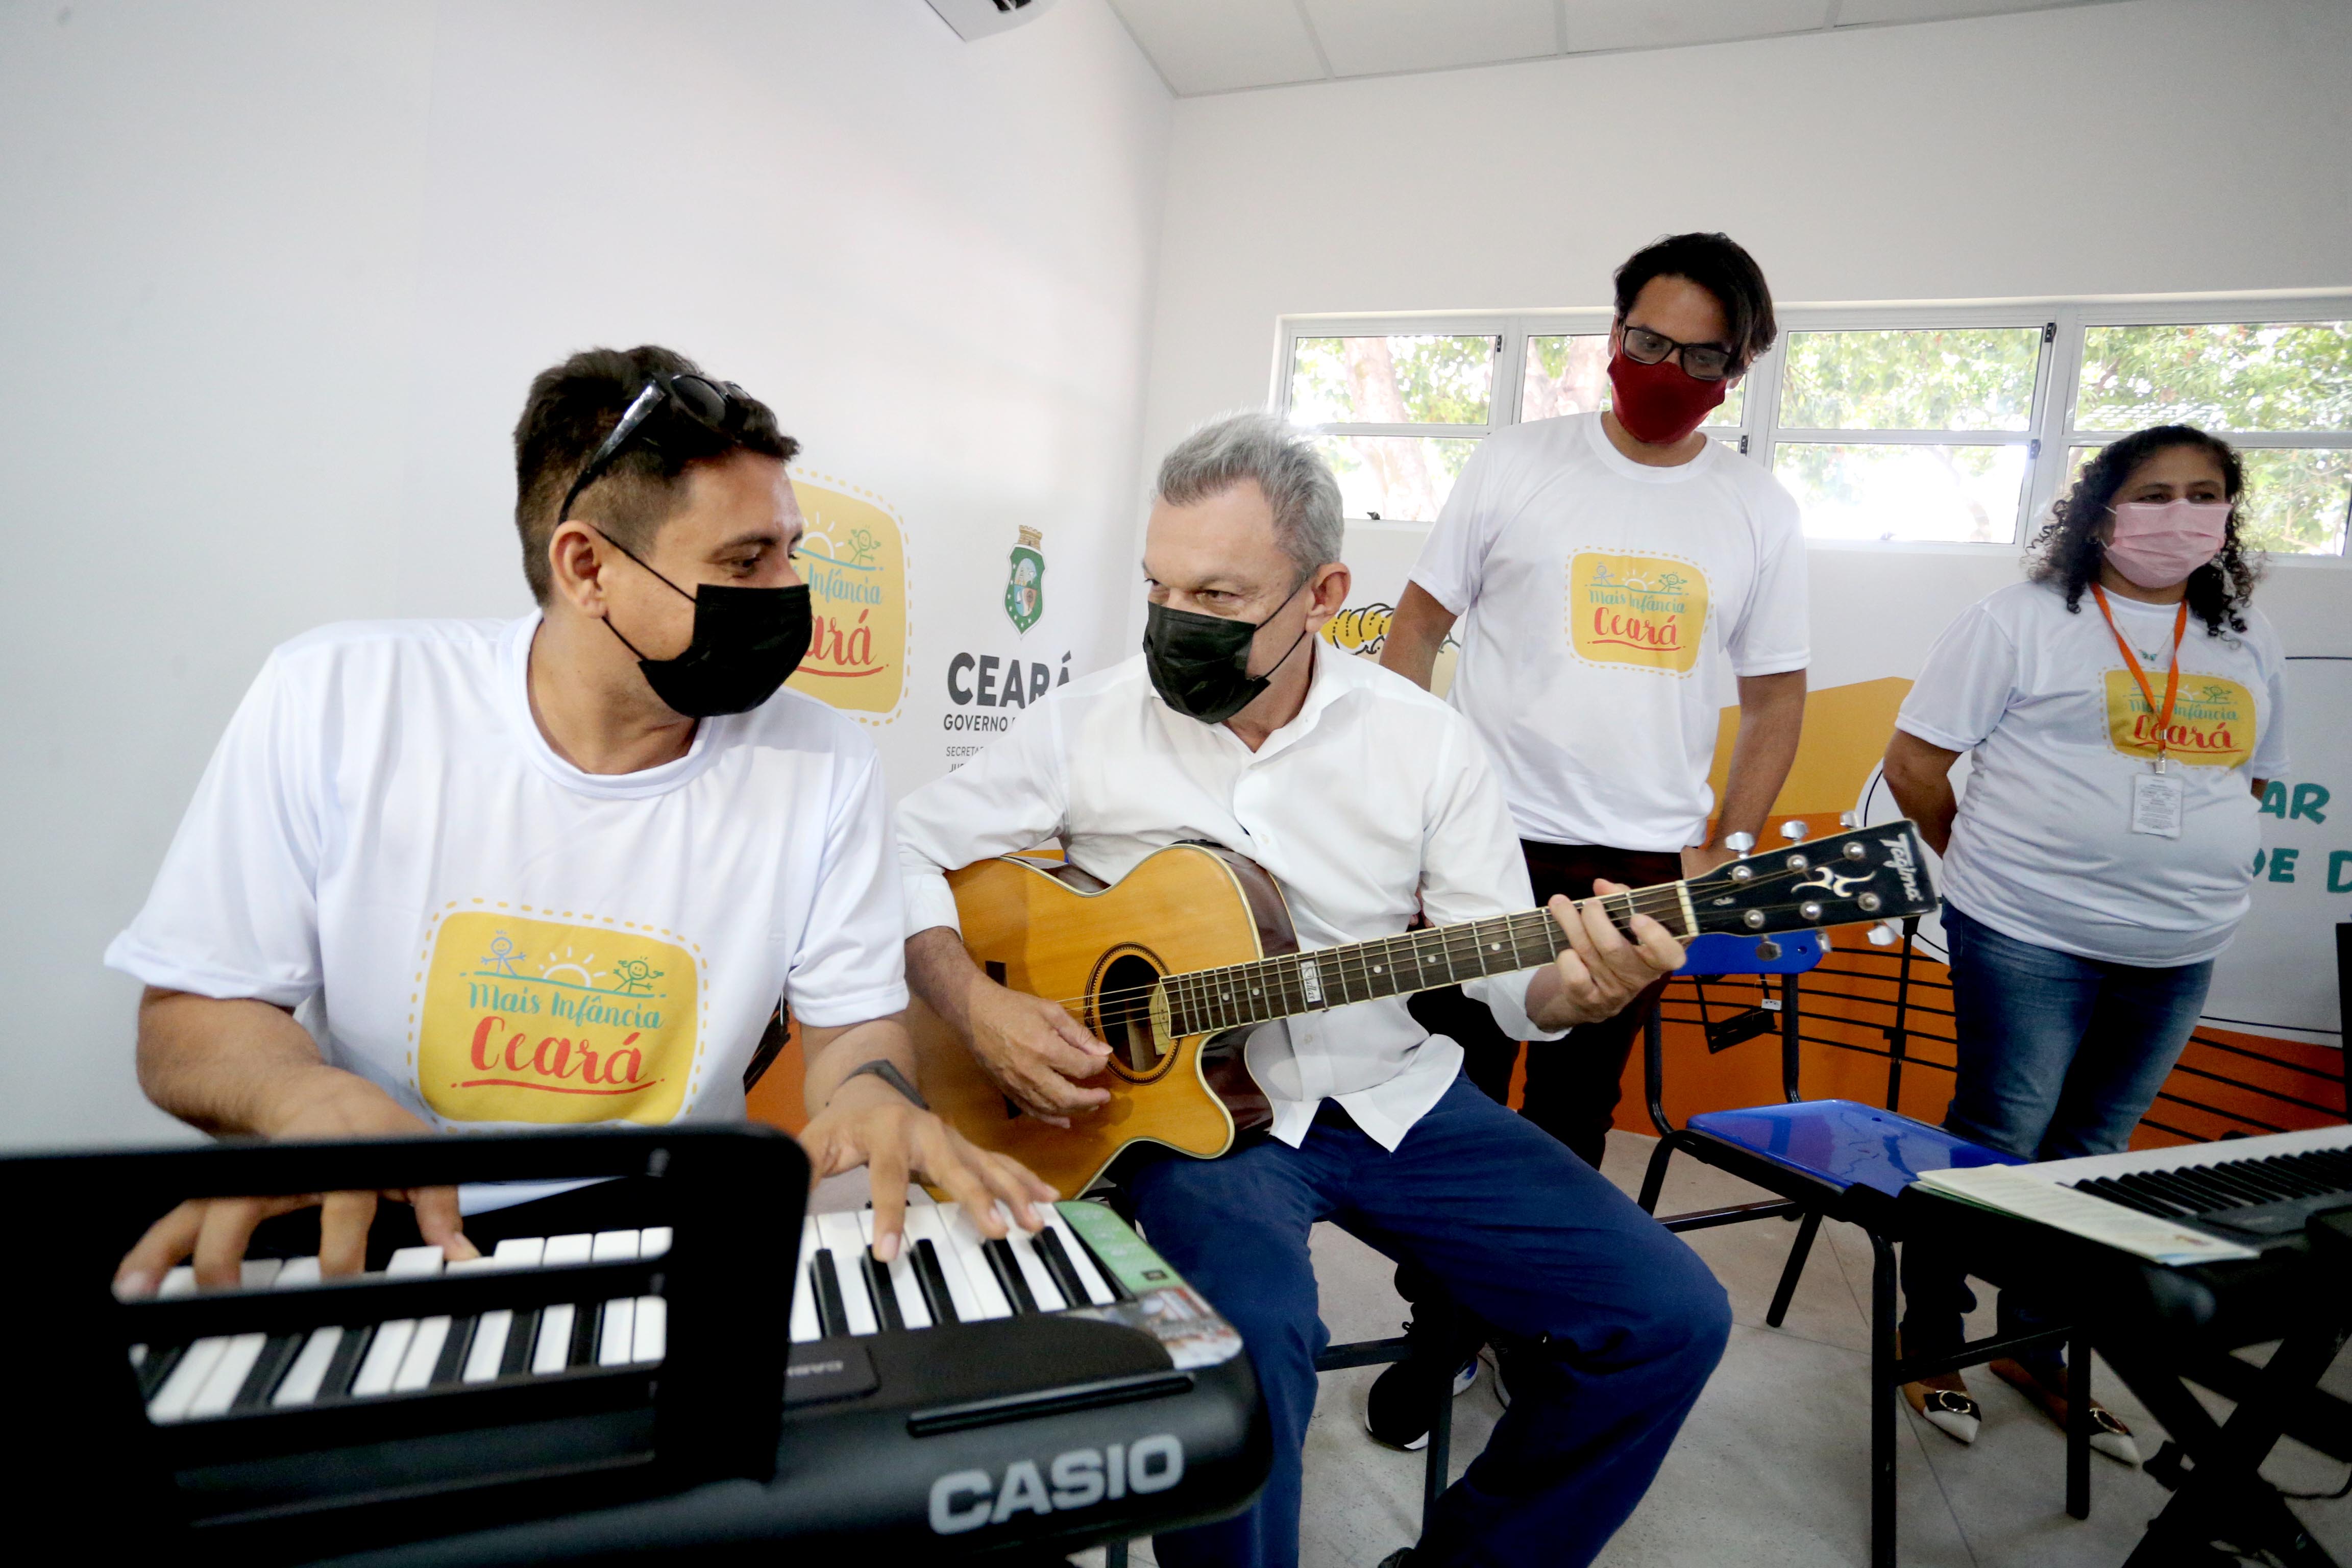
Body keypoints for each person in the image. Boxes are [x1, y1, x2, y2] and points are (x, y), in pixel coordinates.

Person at [896, 413, 1731, 1568]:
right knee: (1244, 1344)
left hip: (1397, 1100)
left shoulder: (1427, 744)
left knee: (1673, 1317)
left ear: (1324, 593)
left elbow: (1507, 976)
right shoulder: (1085, 720)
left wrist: (1578, 995)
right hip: (1198, 1130)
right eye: (1159, 587)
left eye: (1220, 596)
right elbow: (898, 855)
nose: (1173, 626)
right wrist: (978, 1007)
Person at [107, 345, 1048, 1295]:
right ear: (587, 564)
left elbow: (854, 1035)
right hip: (384, 1216)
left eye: (788, 552)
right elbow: (192, 1016)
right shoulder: (341, 699)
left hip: (661, 1227)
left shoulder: (823, 759)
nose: (788, 595)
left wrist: (875, 1098)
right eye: (744, 560)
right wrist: (302, 1096)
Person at [1371, 230, 1806, 1444]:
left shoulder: (1756, 507)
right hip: (1478, 842)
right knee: (1444, 1094)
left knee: (1568, 1119)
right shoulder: (1517, 465)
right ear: (1613, 337)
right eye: (1647, 341)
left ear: (1739, 366)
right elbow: (1414, 627)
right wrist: (1406, 783)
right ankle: (1436, 1333)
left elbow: (1777, 698)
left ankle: (1528, 1324)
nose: (1666, 367)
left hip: (1640, 867)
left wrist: (1725, 842)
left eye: (1701, 353)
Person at [1882, 424, 2286, 1459]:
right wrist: (1981, 860)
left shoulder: (2244, 636)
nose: (2179, 513)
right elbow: (1917, 764)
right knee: (1996, 1144)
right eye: (2154, 493)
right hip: (2025, 933)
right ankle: (1930, 1339)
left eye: (2205, 494)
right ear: (2101, 508)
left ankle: (2039, 1342)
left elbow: (2251, 781)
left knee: (2093, 1158)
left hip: (2179, 947)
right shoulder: (2021, 621)